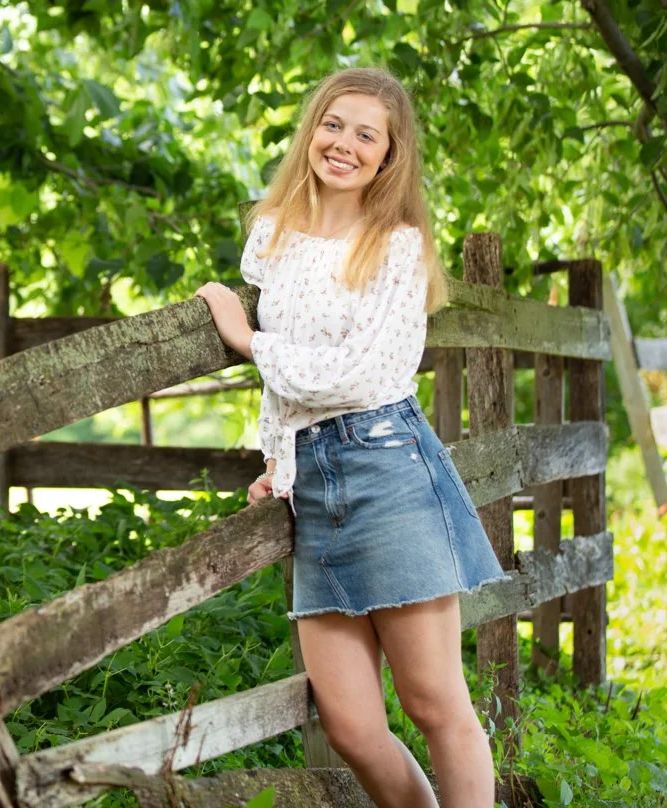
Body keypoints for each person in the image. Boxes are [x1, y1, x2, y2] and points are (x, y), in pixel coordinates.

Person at [195, 66, 509, 808]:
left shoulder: (396, 246)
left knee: (434, 703)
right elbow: (289, 390)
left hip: (385, 464)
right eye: (333, 125)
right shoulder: (272, 236)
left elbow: (361, 374)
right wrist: (278, 460)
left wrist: (244, 340)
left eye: (366, 134)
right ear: (312, 131)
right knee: (351, 726)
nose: (344, 144)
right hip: (315, 481)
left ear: (389, 154)